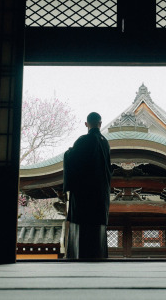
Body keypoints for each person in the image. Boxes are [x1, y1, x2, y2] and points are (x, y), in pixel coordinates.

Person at [62, 111, 113, 259]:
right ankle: (98, 255)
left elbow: (72, 160)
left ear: (86, 124)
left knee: (83, 226)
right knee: (97, 228)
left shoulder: (83, 140)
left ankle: (80, 256)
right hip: (100, 195)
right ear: (100, 124)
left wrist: (68, 153)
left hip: (84, 195)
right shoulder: (105, 142)